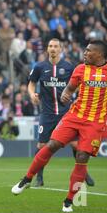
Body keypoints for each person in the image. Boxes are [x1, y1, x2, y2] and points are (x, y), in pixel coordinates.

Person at [11, 40, 107, 213]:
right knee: (51, 145)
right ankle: (26, 179)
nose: (84, 53)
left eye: (88, 51)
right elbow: (70, 88)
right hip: (74, 116)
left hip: (95, 122)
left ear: (99, 54)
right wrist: (66, 94)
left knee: (81, 156)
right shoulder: (80, 69)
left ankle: (69, 201)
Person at [28, 38, 95, 187]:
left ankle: (83, 173)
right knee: (42, 145)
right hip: (47, 113)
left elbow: (78, 83)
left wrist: (72, 93)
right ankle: (39, 177)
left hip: (66, 113)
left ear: (61, 49)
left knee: (76, 145)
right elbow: (31, 84)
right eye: (50, 46)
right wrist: (32, 95)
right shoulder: (39, 67)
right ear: (47, 49)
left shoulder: (69, 67)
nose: (52, 48)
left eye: (55, 46)